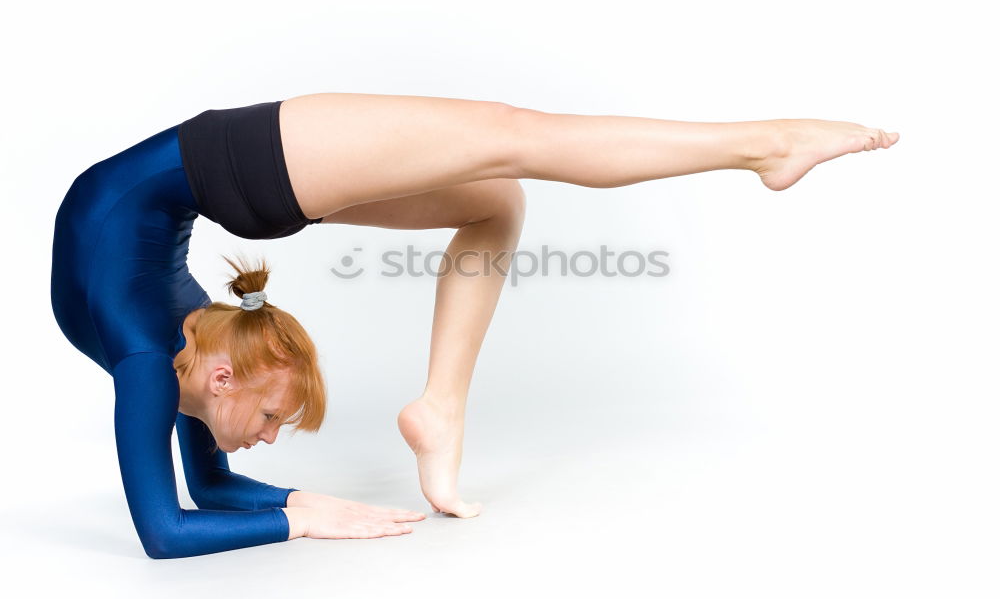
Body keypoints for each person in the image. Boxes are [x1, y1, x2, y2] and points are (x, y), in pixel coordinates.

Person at [50, 93, 900, 558]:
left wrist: (294, 519)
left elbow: (166, 534)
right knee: (498, 199)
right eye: (280, 421)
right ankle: (441, 406)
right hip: (213, 185)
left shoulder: (148, 369)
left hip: (224, 163)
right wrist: (308, 506)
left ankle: (765, 143)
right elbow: (207, 499)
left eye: (271, 422)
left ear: (224, 377)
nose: (271, 439)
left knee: (508, 141)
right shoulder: (194, 369)